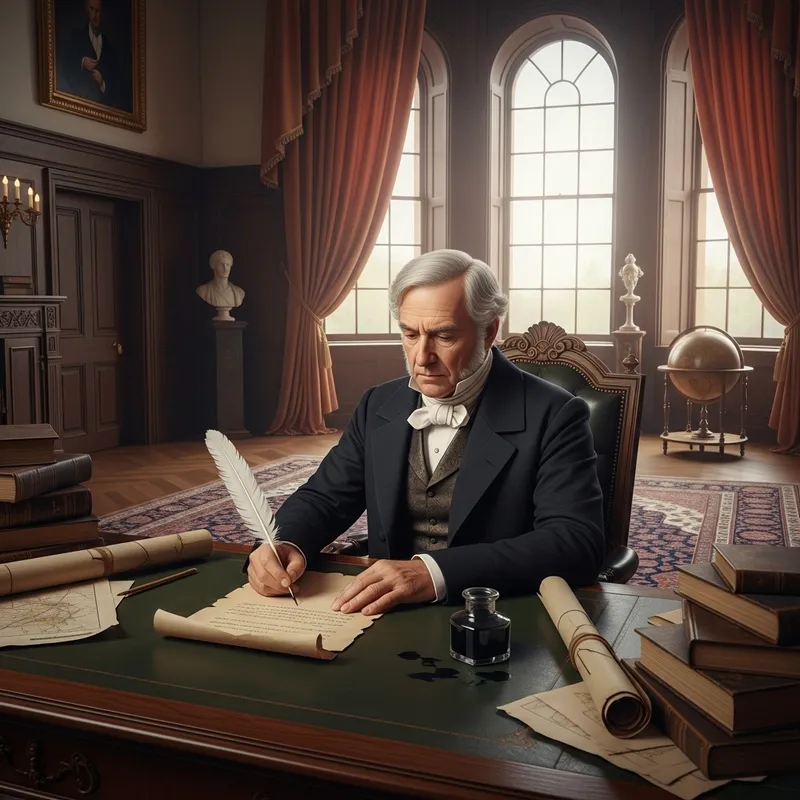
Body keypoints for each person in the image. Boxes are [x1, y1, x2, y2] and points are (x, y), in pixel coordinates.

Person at [247, 249, 605, 615]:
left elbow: (574, 543)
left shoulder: (555, 413)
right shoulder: (378, 404)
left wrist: (433, 573)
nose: (421, 357)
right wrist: (288, 541)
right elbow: (325, 498)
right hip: (381, 614)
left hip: (496, 617)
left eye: (444, 336)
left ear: (490, 331)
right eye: (410, 333)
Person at [61, 0, 127, 110]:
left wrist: (102, 83)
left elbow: (118, 85)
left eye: (98, 11)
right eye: (92, 10)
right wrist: (82, 62)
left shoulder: (111, 50)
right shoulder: (76, 37)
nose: (94, 15)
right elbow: (65, 64)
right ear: (87, 10)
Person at [196, 250, 245, 318]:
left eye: (227, 265)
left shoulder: (239, 292)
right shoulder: (203, 291)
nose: (225, 269)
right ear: (213, 266)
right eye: (221, 264)